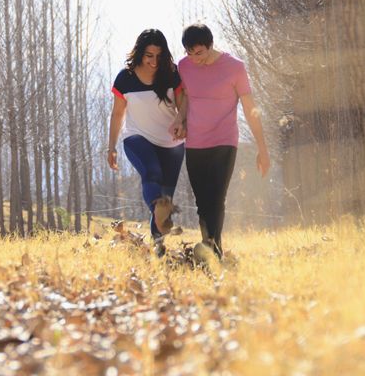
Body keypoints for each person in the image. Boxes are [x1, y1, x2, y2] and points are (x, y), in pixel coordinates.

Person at [171, 23, 270, 264]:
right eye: (190, 53)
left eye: (200, 52)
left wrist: (262, 148)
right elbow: (185, 98)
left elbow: (249, 108)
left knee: (216, 198)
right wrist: (180, 119)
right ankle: (212, 247)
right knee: (202, 202)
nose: (195, 59)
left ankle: (211, 252)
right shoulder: (184, 67)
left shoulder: (235, 67)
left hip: (224, 141)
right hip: (195, 142)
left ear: (210, 45)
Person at [108, 29, 185, 257]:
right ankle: (160, 212)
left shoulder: (171, 74)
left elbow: (184, 104)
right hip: (136, 137)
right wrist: (111, 146)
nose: (153, 61)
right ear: (140, 53)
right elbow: (117, 114)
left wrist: (181, 121)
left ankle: (159, 250)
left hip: (171, 144)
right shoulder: (125, 78)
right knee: (151, 173)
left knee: (166, 197)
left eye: (159, 56)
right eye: (149, 55)